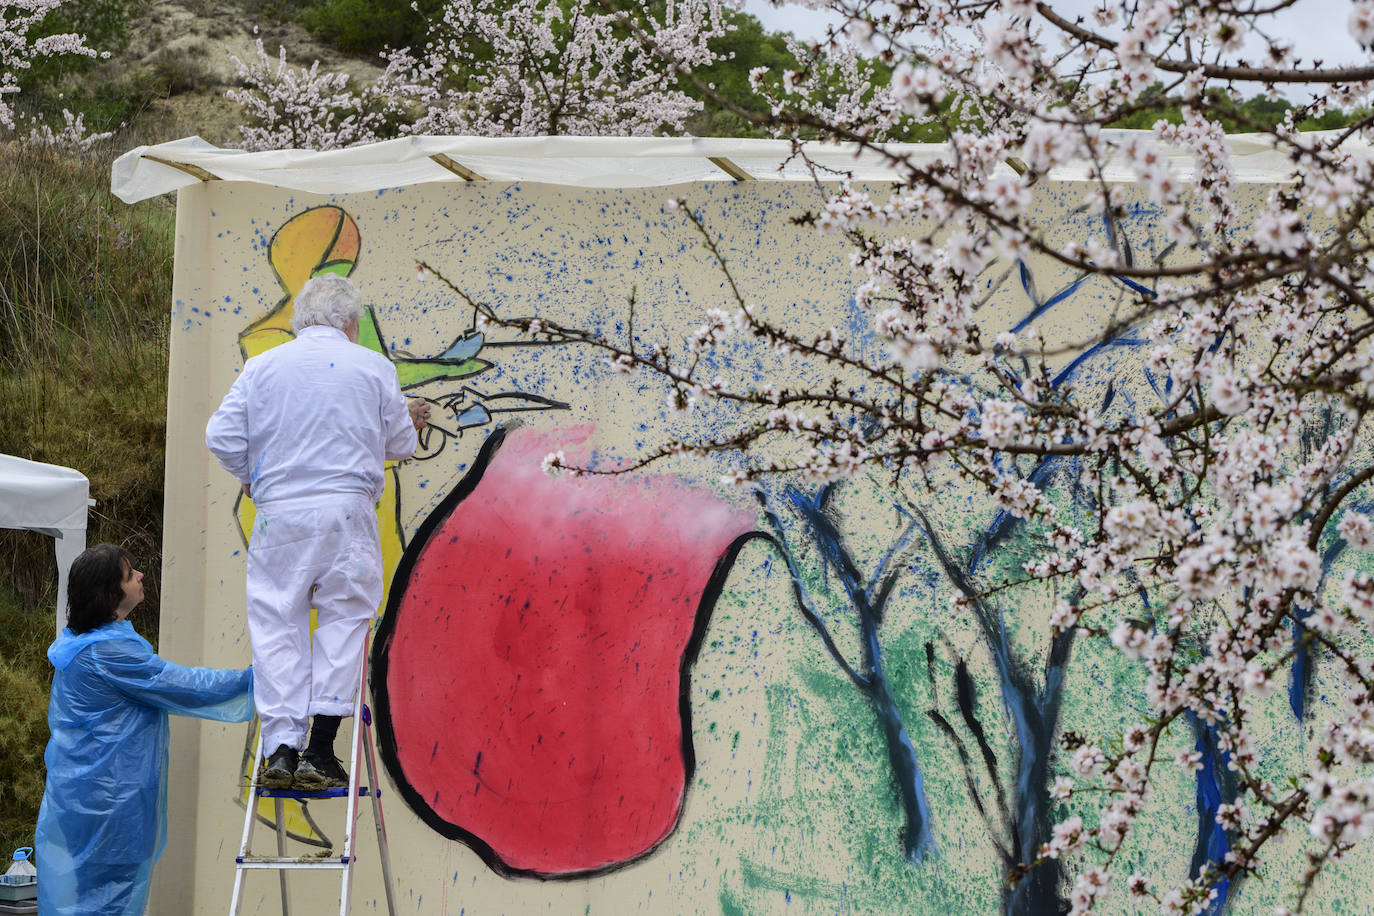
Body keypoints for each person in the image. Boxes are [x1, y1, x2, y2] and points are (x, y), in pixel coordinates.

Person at [205, 273, 429, 791]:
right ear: (350, 322)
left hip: (280, 514)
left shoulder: (262, 367)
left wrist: (253, 477)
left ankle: (281, 749)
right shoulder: (373, 366)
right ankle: (322, 749)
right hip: (345, 512)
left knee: (277, 621)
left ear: (299, 320)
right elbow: (400, 444)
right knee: (343, 618)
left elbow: (221, 436)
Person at [35, 544, 253, 916]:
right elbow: (184, 685)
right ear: (109, 594)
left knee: (89, 899)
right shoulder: (108, 654)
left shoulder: (85, 644)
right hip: (108, 803)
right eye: (129, 573)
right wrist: (256, 680)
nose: (139, 576)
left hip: (85, 797)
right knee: (107, 902)